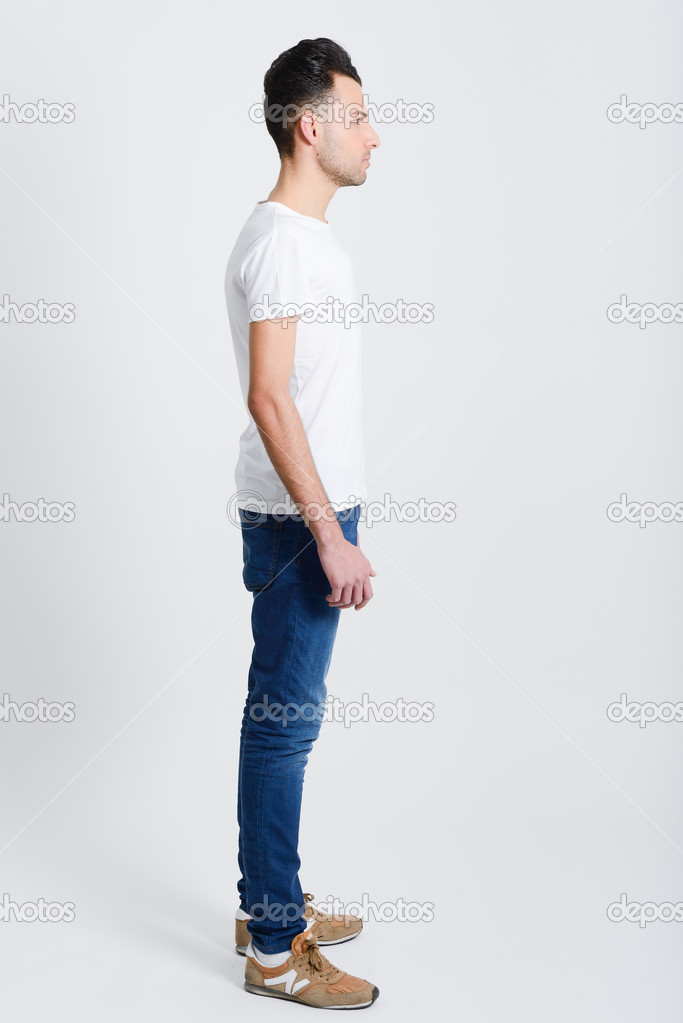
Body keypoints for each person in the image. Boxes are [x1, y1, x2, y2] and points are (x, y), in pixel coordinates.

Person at [223, 38, 381, 1010]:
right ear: (309, 126)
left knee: (283, 725)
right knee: (282, 731)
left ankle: (265, 902)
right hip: (296, 520)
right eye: (359, 116)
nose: (375, 135)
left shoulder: (302, 235)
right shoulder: (283, 238)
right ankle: (274, 950)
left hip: (308, 508)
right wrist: (327, 534)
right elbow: (269, 398)